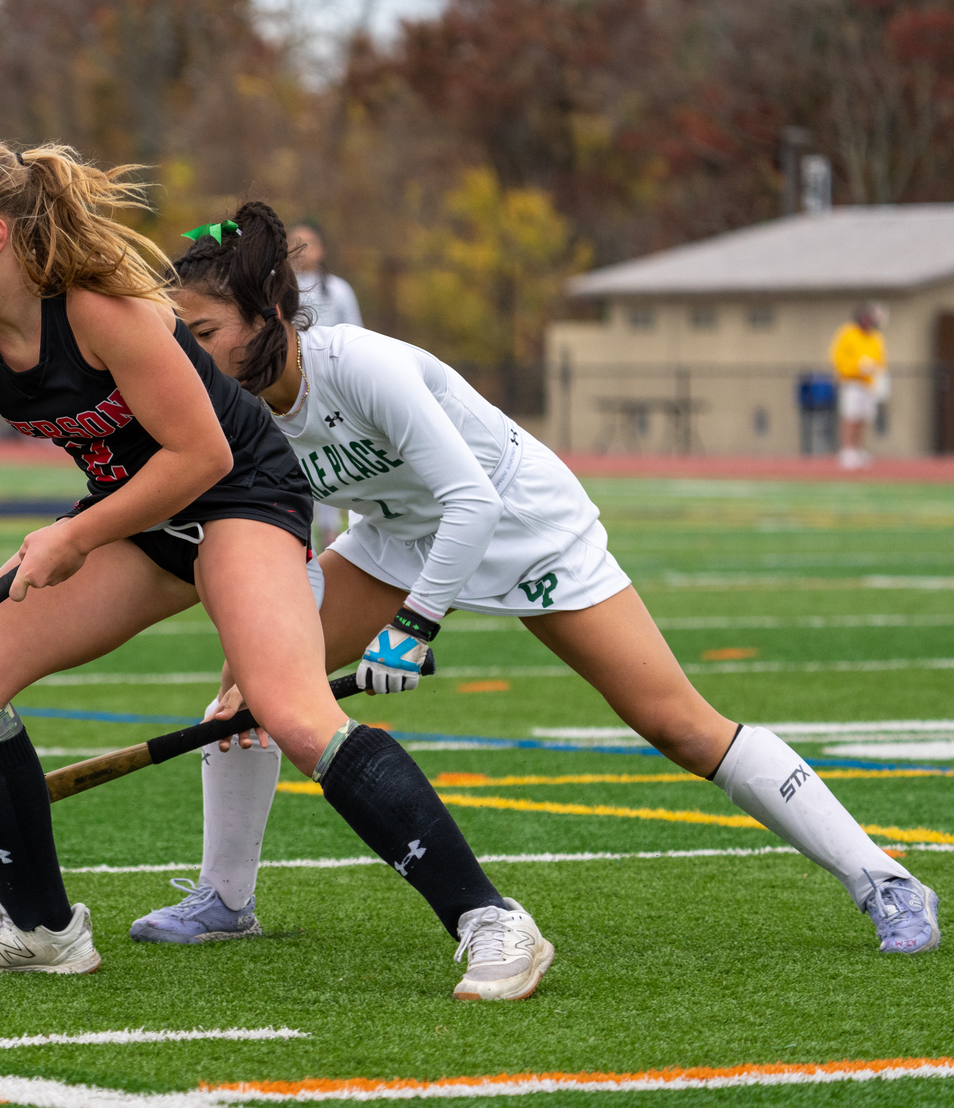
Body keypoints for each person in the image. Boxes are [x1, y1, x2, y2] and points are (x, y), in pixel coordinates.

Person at [0, 140, 551, 1000]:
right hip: (143, 513)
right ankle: (41, 928)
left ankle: (491, 920)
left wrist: (75, 538)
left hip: (239, 493)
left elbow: (202, 453)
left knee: (291, 711)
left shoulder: (100, 309)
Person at [133, 200, 939, 959]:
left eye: (201, 333)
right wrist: (262, 659)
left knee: (681, 727)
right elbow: (287, 542)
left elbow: (472, 499)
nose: (188, 358)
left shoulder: (362, 366)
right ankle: (224, 900)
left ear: (269, 316)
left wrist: (413, 628)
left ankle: (887, 882)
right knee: (250, 692)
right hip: (398, 536)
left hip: (521, 522)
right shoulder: (235, 413)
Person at [288, 221, 362, 550]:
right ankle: (299, 544)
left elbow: (356, 340)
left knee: (330, 465)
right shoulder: (278, 289)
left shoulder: (339, 290)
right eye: (295, 243)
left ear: (322, 249)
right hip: (290, 397)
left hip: (330, 396)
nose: (302, 250)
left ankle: (333, 546)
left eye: (309, 243)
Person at [830, 304, 888, 469]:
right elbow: (838, 358)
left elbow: (881, 361)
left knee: (863, 417)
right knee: (851, 417)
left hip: (868, 384)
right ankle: (847, 451)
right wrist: (858, 367)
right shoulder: (847, 333)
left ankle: (857, 450)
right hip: (852, 382)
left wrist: (873, 368)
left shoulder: (876, 337)